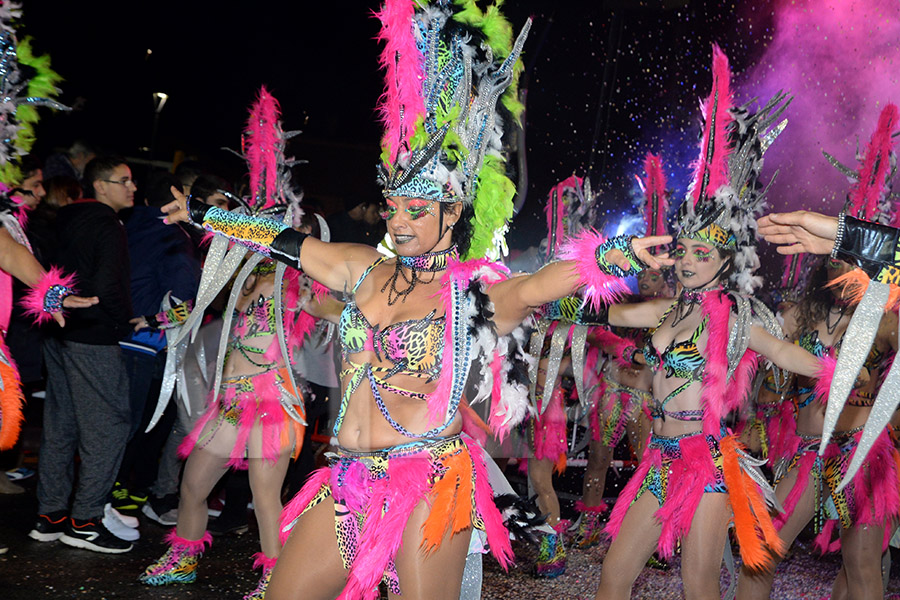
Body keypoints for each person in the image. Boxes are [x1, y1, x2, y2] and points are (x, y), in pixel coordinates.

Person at [561, 47, 829, 600]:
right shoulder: (666, 309)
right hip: (657, 459)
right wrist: (588, 270)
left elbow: (789, 357)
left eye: (700, 253)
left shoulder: (736, 321)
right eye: (681, 250)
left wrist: (839, 372)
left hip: (707, 463)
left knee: (700, 587)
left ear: (727, 258)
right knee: (614, 575)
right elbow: (596, 309)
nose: (685, 261)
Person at [140, 89, 343, 600]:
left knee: (264, 495)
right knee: (192, 483)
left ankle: (278, 578)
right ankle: (183, 557)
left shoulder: (295, 287)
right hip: (230, 402)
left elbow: (341, 309)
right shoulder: (242, 274)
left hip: (272, 401)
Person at [738, 103, 900, 600]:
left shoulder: (888, 321)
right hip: (808, 452)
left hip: (864, 454)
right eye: (837, 260)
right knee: (760, 555)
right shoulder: (798, 315)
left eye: (853, 260)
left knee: (861, 567)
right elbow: (746, 327)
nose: (842, 271)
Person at [28, 155, 137, 554]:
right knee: (109, 425)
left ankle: (51, 515)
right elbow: (108, 284)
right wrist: (124, 321)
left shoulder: (65, 218)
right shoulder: (107, 224)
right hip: (91, 335)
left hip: (57, 330)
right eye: (123, 180)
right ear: (100, 186)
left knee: (61, 423)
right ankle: (85, 521)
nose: (132, 187)